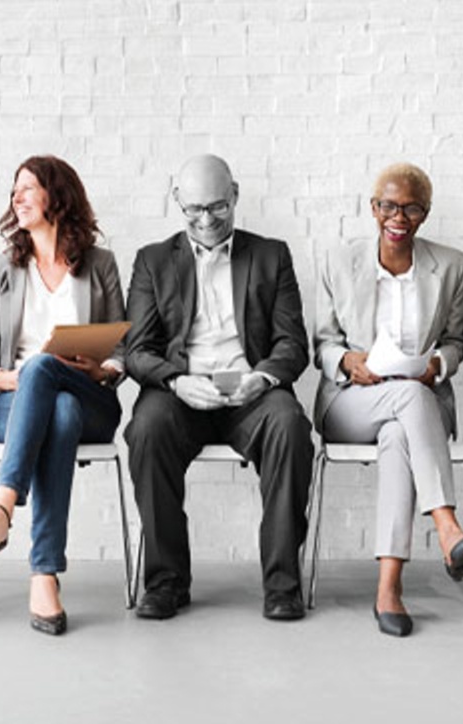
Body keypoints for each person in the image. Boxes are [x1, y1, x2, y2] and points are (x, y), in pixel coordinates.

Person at [123, 154, 314, 622]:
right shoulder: (152, 260)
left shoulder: (271, 255)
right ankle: (167, 582)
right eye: (193, 210)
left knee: (290, 427)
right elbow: (136, 349)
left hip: (252, 391)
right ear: (176, 201)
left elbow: (293, 343)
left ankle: (282, 586)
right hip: (181, 392)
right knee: (145, 430)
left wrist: (263, 378)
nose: (206, 220)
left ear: (235, 195)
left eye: (217, 208)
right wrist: (176, 380)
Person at [313, 162, 463, 637]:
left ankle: (388, 588)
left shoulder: (450, 266)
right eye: (388, 205)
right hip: (350, 402)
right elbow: (322, 343)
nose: (398, 216)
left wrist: (438, 365)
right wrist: (349, 361)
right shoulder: (337, 260)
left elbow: (456, 341)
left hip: (416, 407)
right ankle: (448, 527)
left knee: (398, 436)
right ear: (373, 208)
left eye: (411, 208)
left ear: (424, 214)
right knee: (407, 400)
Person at [0, 156, 126, 636]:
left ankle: (2, 506)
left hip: (89, 391)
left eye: (29, 187)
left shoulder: (100, 264)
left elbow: (124, 348)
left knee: (55, 379)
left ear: (58, 195)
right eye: (14, 190)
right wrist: (6, 379)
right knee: (56, 404)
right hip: (17, 402)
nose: (17, 197)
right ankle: (44, 574)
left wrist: (104, 367)